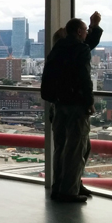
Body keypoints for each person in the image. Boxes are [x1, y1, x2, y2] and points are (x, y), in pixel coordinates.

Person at [45, 12, 102, 203]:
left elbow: (85, 45)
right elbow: (84, 79)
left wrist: (93, 26)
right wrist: (89, 102)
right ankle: (69, 191)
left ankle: (61, 186)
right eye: (85, 31)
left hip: (59, 104)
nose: (87, 34)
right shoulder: (80, 49)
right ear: (79, 32)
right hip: (76, 105)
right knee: (77, 148)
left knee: (62, 147)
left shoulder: (58, 47)